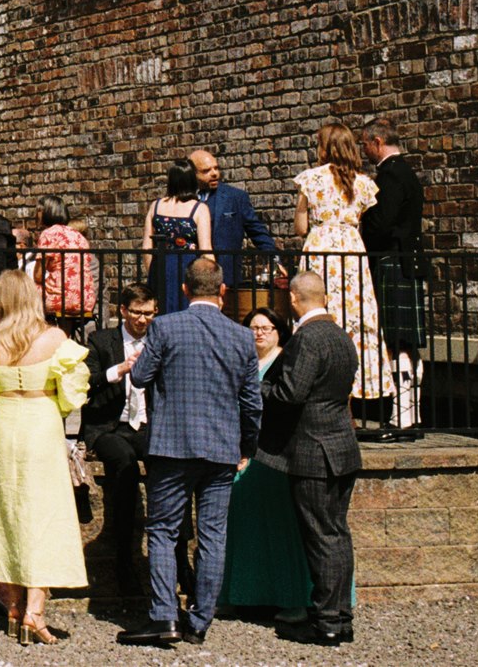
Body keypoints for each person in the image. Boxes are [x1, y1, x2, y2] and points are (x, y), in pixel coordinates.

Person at [115, 258, 262, 649]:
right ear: (223, 291)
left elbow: (142, 376)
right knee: (213, 535)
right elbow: (252, 403)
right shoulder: (242, 337)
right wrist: (246, 445)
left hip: (172, 446)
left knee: (162, 531)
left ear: (184, 289)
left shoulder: (165, 326)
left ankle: (164, 615)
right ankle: (199, 621)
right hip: (220, 448)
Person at [0, 269, 90, 644]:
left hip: (5, 425)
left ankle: (13, 605)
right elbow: (72, 392)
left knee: (6, 513)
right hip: (41, 421)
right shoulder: (53, 338)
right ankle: (35, 610)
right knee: (45, 515)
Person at [259, 271, 363, 648]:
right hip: (342, 446)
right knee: (337, 533)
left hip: (312, 450)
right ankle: (342, 617)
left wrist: (263, 385)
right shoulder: (341, 336)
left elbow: (290, 393)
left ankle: (326, 621)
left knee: (320, 536)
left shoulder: (307, 338)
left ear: (294, 299)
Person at [223, 307, 348, 621]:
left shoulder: (287, 360)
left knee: (290, 530)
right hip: (245, 455)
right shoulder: (242, 362)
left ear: (279, 331)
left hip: (278, 454)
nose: (260, 333)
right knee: (245, 527)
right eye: (253, 327)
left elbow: (290, 400)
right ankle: (246, 595)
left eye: (266, 327)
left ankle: (295, 597)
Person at [293, 122, 394, 403]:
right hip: (351, 250)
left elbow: (300, 227)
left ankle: (317, 382)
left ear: (324, 147)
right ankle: (357, 387)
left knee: (317, 309)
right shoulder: (364, 184)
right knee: (356, 316)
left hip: (321, 245)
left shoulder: (311, 179)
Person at [81, 284, 158, 592]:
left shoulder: (159, 340)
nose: (143, 320)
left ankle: (176, 553)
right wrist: (120, 370)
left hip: (147, 424)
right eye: (137, 313)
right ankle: (124, 556)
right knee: (123, 464)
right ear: (123, 311)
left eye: (149, 314)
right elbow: (86, 383)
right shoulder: (101, 341)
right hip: (110, 425)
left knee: (166, 464)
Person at [360, 119, 425, 427]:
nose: (364, 150)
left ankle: (402, 417)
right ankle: (411, 413)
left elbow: (382, 223)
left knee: (397, 340)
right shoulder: (408, 173)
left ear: (378, 142)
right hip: (406, 260)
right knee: (406, 342)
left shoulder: (390, 176)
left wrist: (361, 231)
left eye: (365, 144)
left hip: (392, 261)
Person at [191, 149, 278, 288]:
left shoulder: (235, 197)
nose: (215, 173)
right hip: (191, 273)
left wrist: (274, 260)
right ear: (192, 173)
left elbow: (257, 231)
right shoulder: (183, 199)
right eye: (206, 170)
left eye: (216, 168)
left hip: (226, 275)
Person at [144, 158, 212, 314]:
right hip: (187, 266)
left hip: (159, 264)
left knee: (159, 312)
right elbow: (206, 249)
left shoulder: (156, 206)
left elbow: (147, 247)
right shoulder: (199, 208)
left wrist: (153, 272)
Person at [32, 195, 97, 330]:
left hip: (61, 298)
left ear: (46, 212)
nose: (36, 215)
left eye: (39, 211)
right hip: (85, 298)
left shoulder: (48, 234)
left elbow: (38, 275)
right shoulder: (78, 235)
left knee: (28, 290)